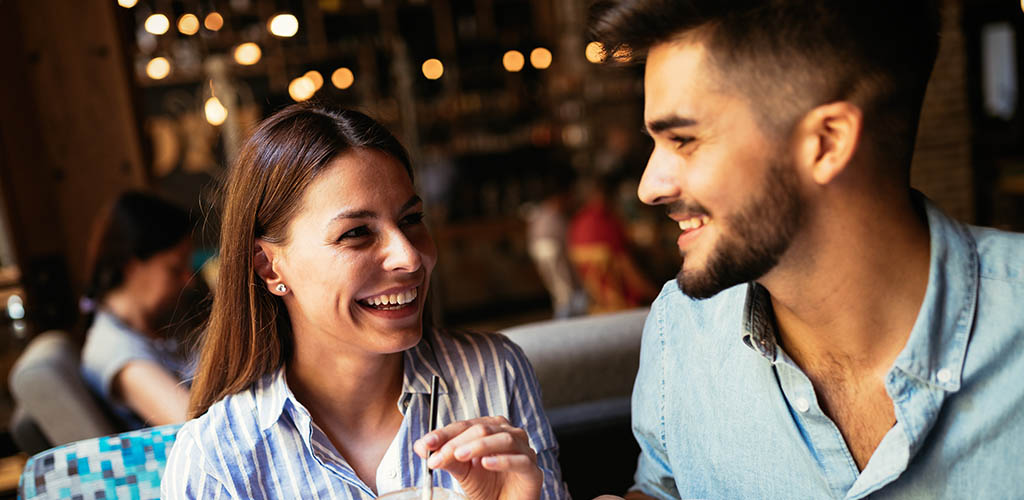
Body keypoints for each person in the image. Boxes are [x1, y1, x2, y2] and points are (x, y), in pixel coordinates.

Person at [589, 0, 1024, 498]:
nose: (650, 186)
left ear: (826, 142)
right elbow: (664, 489)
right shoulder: (681, 330)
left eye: (683, 139)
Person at [162, 103, 568, 500]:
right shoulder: (215, 461)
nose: (409, 256)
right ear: (269, 267)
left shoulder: (493, 375)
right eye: (356, 233)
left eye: (411, 220)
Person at [80, 191, 195, 428]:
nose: (189, 280)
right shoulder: (116, 350)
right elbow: (195, 426)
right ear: (131, 266)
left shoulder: (145, 330)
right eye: (175, 269)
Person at [568, 175, 658, 313]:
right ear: (602, 195)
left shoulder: (577, 224)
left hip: (597, 301)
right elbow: (629, 271)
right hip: (625, 301)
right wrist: (656, 294)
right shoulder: (606, 221)